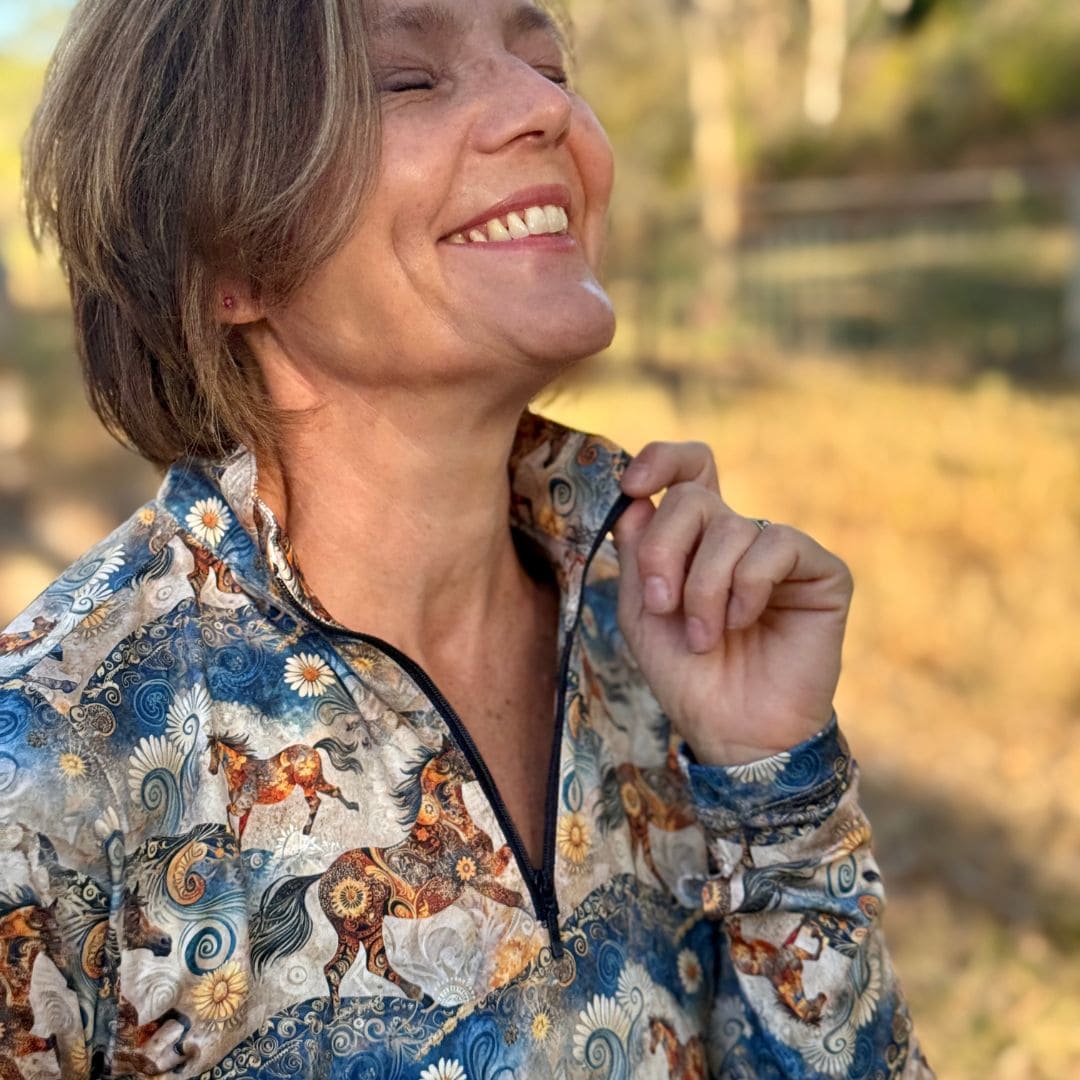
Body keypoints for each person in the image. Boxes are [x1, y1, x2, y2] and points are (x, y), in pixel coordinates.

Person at [0, 0, 932, 1076]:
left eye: (547, 65)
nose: (548, 107)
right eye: (410, 81)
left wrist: (774, 784)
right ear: (227, 259)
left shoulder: (663, 630)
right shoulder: (52, 771)